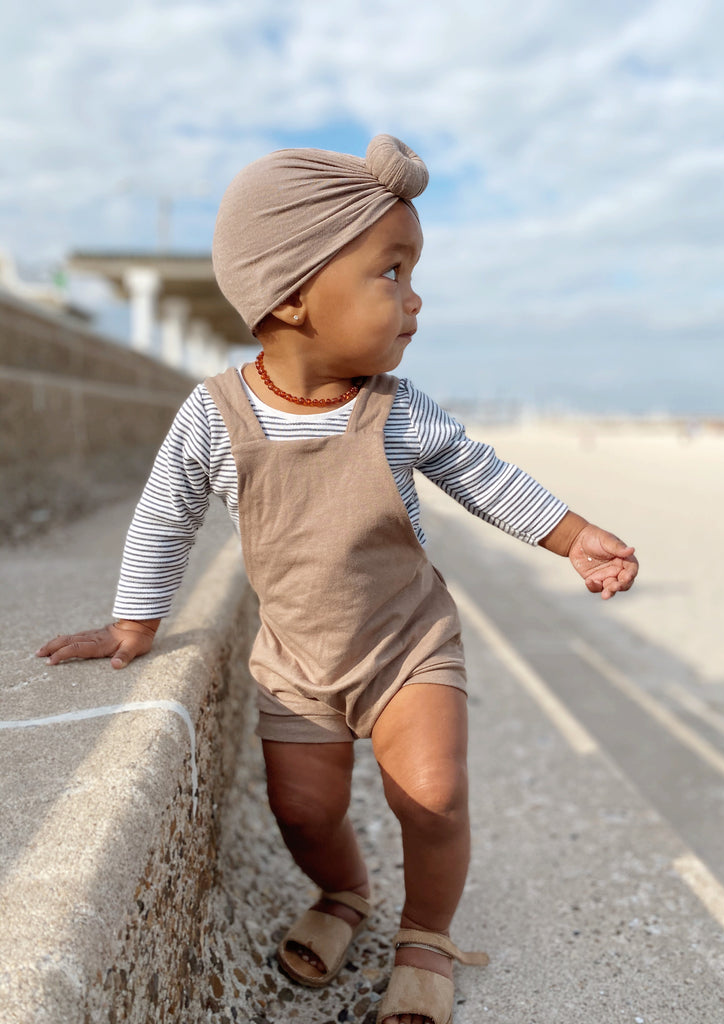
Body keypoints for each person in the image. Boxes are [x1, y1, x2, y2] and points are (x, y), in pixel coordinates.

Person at [37, 136, 638, 1024]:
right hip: (297, 662)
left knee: (431, 794)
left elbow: (481, 474)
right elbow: (166, 517)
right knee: (304, 810)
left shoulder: (395, 409)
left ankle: (426, 935)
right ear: (292, 297)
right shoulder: (216, 414)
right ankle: (344, 893)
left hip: (406, 645)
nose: (415, 298)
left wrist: (576, 535)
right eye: (390, 271)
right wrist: (135, 623)